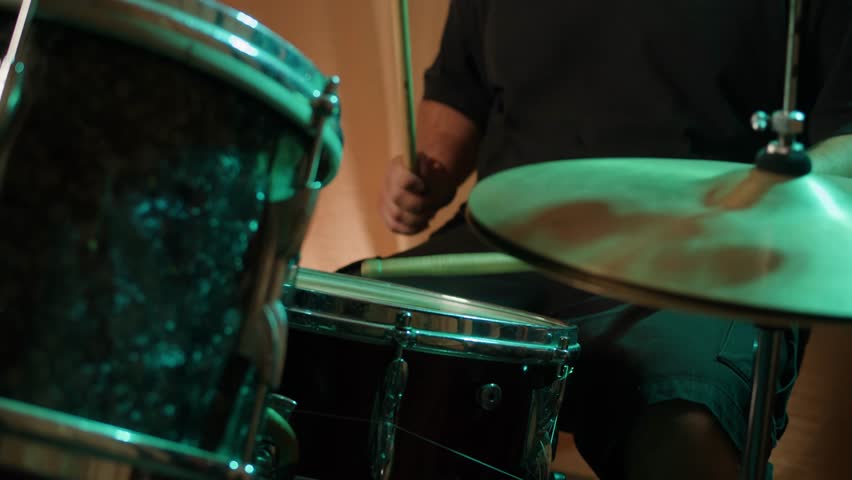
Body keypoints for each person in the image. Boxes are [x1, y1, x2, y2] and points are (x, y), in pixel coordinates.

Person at [345, 1, 852, 479]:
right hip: (504, 245)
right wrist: (427, 173)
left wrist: (787, 181)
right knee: (325, 334)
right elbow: (461, 90)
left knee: (683, 426)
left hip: (701, 264)